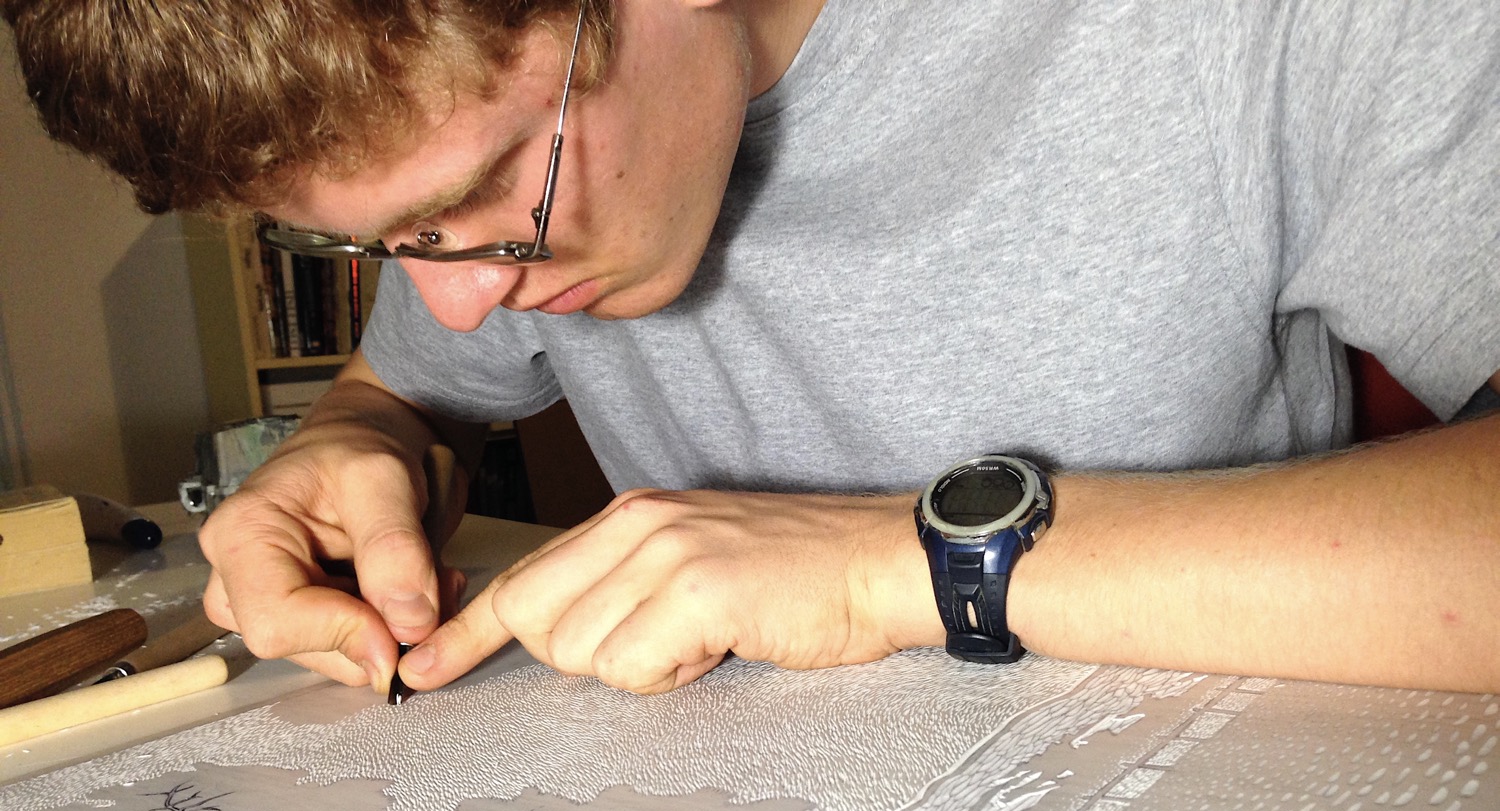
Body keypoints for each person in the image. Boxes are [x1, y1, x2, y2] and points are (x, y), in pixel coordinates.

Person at [7, 0, 1496, 697]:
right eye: (379, 243)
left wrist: (881, 569)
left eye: (489, 191)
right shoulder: (472, 229)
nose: (462, 303)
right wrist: (353, 442)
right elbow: (410, 388)